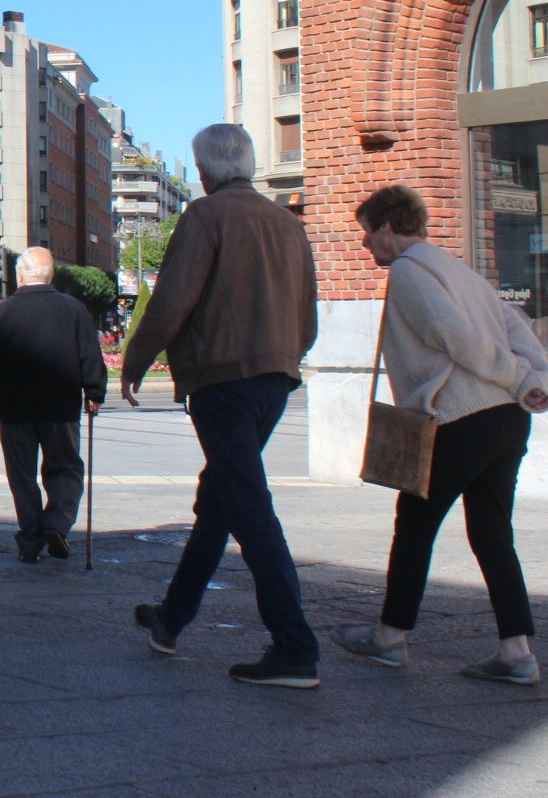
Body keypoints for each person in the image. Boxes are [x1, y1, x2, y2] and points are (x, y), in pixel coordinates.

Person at [121, 123, 321, 689]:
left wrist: (135, 359)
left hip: (222, 379)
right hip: (274, 377)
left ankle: (295, 646)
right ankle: (171, 617)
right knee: (222, 500)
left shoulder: (204, 217)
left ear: (204, 170)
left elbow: (171, 301)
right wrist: (286, 357)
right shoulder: (288, 223)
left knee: (251, 510)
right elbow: (307, 312)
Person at [331, 185, 548, 685]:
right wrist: (533, 380)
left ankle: (389, 639)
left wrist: (519, 378)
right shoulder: (456, 267)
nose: (366, 245)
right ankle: (516, 652)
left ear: (389, 227)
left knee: (414, 526)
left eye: (367, 233)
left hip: (460, 419)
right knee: (493, 534)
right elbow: (516, 327)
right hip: (506, 420)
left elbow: (454, 336)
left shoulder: (410, 270)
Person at [0, 248, 105, 562]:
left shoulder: (2, 313)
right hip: (60, 407)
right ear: (51, 275)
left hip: (15, 410)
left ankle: (31, 537)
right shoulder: (73, 309)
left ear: (21, 275)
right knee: (66, 468)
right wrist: (95, 392)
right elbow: (90, 355)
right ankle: (57, 523)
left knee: (21, 476)